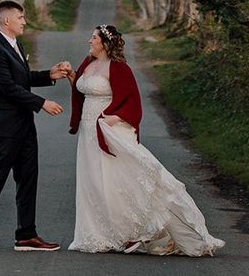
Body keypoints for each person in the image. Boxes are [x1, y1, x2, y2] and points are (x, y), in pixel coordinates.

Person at [66, 24, 225, 256]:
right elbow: (82, 90)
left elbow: (132, 100)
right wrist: (71, 76)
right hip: (88, 131)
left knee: (116, 180)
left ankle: (132, 231)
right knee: (92, 181)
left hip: (108, 128)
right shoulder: (88, 63)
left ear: (104, 43)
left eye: (93, 38)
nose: (89, 41)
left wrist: (115, 117)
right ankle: (100, 234)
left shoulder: (119, 68)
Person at [0, 0, 73, 253]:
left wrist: (48, 75)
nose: (24, 21)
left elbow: (21, 79)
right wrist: (42, 102)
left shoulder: (15, 44)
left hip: (24, 124)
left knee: (28, 179)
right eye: (21, 18)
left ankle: (26, 235)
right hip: (3, 125)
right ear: (7, 20)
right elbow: (8, 88)